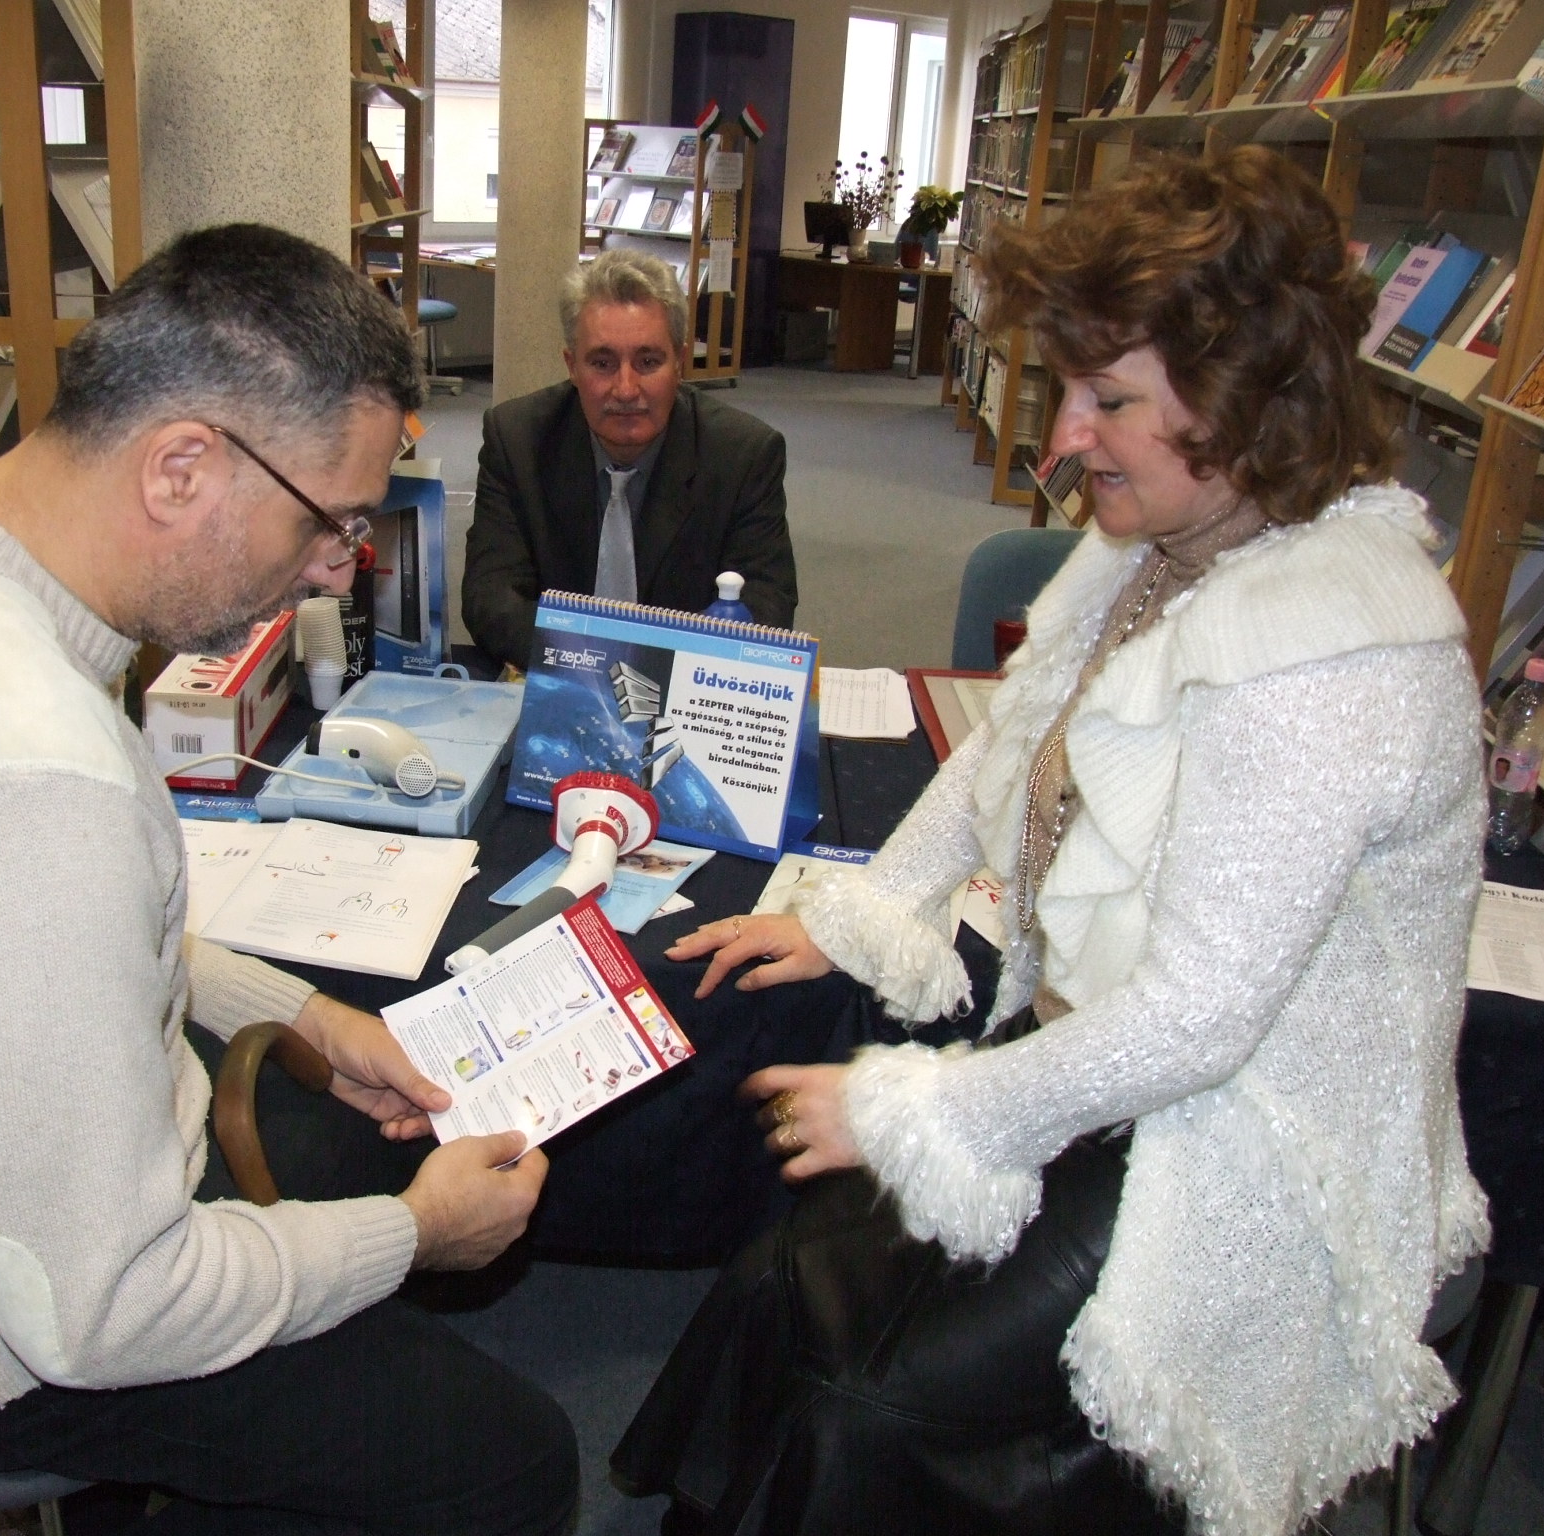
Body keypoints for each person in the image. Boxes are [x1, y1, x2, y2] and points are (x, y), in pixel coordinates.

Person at [0, 225, 576, 1535]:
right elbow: (106, 1310)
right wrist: (412, 1238)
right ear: (181, 467)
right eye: (330, 520)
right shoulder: (13, 779)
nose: (338, 566)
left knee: (353, 1141)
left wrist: (309, 1018)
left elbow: (67, 944)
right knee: (507, 1463)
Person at [614, 147, 1490, 1536]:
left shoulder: (1330, 655)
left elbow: (1200, 1022)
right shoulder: (1164, 546)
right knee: (791, 1270)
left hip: (1246, 1140)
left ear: (1249, 399)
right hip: (1110, 1063)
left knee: (869, 1398)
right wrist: (855, 912)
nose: (1065, 436)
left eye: (1110, 400)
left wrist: (916, 1111)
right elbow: (1008, 748)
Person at [462, 248, 797, 670]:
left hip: (682, 689)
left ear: (679, 363)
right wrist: (593, 661)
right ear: (572, 365)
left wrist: (649, 667)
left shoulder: (744, 454)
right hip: (558, 678)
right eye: (602, 363)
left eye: (648, 362)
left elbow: (766, 604)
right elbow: (491, 599)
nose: (625, 389)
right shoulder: (517, 440)